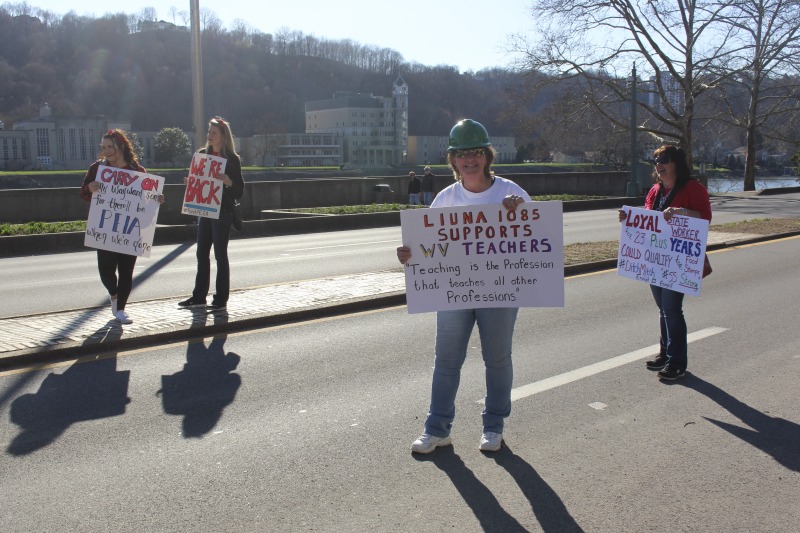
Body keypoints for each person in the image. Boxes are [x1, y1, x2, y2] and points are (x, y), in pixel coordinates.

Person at [396, 119, 531, 453]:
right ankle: (437, 429)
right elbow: (429, 246)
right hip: (453, 292)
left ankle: (494, 426)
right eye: (462, 154)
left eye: (476, 152)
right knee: (446, 361)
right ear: (453, 160)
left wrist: (522, 211)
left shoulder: (510, 194)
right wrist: (410, 254)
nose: (470, 160)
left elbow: (536, 235)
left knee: (497, 359)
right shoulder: (445, 198)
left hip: (499, 291)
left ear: (486, 156)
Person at [618, 145, 711, 380]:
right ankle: (665, 354)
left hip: (678, 261)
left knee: (671, 309)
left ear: (676, 163)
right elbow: (649, 220)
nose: (659, 164)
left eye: (665, 160)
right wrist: (628, 219)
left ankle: (677, 361)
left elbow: (705, 218)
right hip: (656, 260)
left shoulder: (693, 188)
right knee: (663, 310)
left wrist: (681, 212)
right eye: (656, 160)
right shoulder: (655, 191)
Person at [80, 129, 164, 325]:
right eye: (103, 147)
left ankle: (121, 310)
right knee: (106, 271)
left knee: (127, 271)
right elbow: (83, 193)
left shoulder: (137, 171)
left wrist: (156, 199)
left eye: (110, 147)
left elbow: (146, 200)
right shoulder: (97, 169)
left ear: (121, 147)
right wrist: (89, 188)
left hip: (130, 230)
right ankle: (114, 293)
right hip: (106, 228)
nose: (106, 151)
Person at [179, 116, 244, 311]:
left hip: (222, 211)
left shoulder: (231, 159)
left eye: (213, 133)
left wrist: (228, 181)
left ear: (223, 136)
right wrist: (191, 183)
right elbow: (199, 182)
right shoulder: (201, 155)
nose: (209, 136)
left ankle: (220, 299)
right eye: (208, 132)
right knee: (201, 253)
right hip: (204, 209)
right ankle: (199, 296)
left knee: (220, 255)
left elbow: (239, 190)